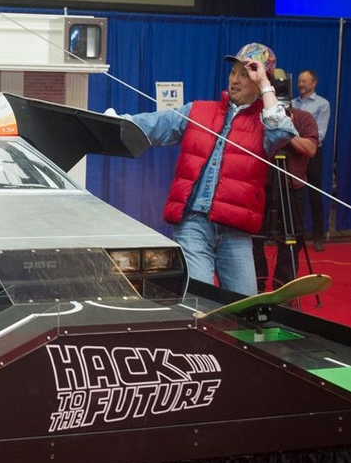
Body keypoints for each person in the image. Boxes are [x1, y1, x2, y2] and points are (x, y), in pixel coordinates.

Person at [127, 43, 297, 297]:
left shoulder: (266, 125)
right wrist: (119, 122)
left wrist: (264, 84)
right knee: (199, 301)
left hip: (236, 231)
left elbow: (283, 131)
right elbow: (155, 124)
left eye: (245, 74)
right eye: (233, 72)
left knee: (245, 305)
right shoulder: (199, 110)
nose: (235, 80)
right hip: (193, 224)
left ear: (261, 80)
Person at [252, 107, 318, 291]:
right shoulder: (258, 117)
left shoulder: (305, 118)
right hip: (262, 186)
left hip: (292, 188)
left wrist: (284, 129)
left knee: (291, 240)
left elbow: (311, 149)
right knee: (253, 238)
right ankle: (256, 282)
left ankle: (284, 286)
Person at [291, 69, 331, 251]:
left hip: (313, 154)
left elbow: (320, 135)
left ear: (313, 83)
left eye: (304, 81)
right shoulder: (291, 104)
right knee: (291, 194)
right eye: (299, 81)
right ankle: (294, 236)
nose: (300, 84)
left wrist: (296, 138)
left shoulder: (323, 104)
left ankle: (318, 236)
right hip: (293, 153)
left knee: (314, 194)